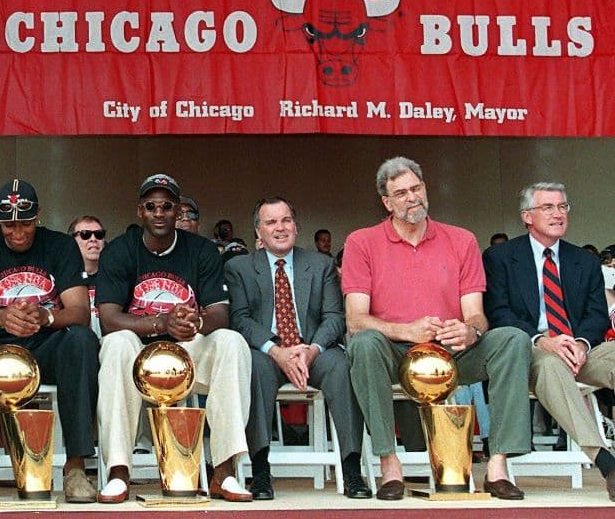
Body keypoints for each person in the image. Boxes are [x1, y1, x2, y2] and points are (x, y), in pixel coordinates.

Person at [342, 156, 531, 501]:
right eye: (401, 193)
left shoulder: (461, 239)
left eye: (416, 188)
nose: (412, 197)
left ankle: (497, 466)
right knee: (364, 342)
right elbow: (355, 318)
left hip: (452, 350)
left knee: (512, 339)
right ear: (386, 202)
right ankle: (389, 464)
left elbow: (476, 315)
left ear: (426, 189)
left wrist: (470, 331)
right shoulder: (361, 242)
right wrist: (407, 331)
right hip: (394, 351)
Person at [96, 174, 252, 503]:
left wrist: (195, 323)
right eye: (151, 206)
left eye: (167, 206)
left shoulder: (202, 250)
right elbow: (108, 318)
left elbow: (220, 313)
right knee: (115, 344)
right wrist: (160, 323)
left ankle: (224, 471)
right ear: (140, 211)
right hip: (138, 351)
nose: (159, 213)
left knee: (231, 342)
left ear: (178, 211)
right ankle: (118, 472)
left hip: (187, 348)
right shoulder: (120, 250)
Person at [0, 180, 99, 504]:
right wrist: (0, 317)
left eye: (26, 223)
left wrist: (46, 316)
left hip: (46, 347)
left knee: (81, 339)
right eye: (9, 225)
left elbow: (80, 312)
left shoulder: (60, 246)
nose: (18, 232)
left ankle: (75, 467)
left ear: (38, 215)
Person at [226, 197, 371, 500]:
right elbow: (240, 319)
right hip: (267, 352)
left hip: (314, 349)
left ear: (296, 226)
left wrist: (312, 350)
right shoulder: (239, 267)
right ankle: (261, 471)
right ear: (259, 232)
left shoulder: (320, 265)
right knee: (254, 369)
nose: (280, 228)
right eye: (271, 222)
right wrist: (276, 351)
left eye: (286, 220)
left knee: (342, 368)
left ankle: (352, 469)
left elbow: (334, 317)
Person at [484, 182, 615, 500]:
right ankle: (606, 462)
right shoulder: (501, 257)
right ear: (527, 216)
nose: (558, 214)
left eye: (562, 206)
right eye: (548, 207)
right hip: (530, 352)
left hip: (579, 351)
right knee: (550, 365)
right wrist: (543, 341)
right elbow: (499, 313)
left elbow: (597, 315)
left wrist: (581, 344)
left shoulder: (583, 261)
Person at [68, 215, 106, 337]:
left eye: (99, 234)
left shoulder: (116, 274)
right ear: (71, 241)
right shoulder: (63, 277)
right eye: (85, 234)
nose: (93, 239)